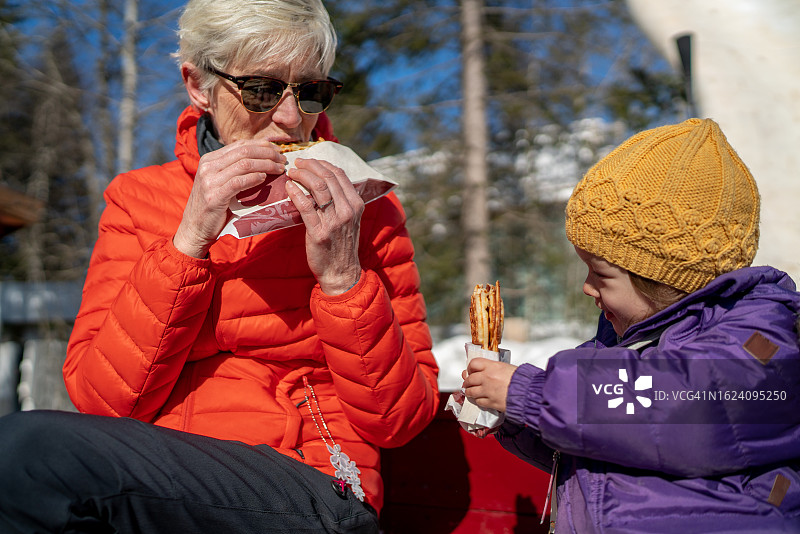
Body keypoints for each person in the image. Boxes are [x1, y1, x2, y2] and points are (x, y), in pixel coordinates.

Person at [0, 0, 439, 532]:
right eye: (261, 89)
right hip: (158, 477)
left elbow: (400, 421)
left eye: (311, 91)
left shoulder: (363, 208)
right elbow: (103, 400)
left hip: (314, 482)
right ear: (198, 85)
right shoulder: (139, 200)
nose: (289, 116)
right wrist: (188, 242)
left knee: (27, 451)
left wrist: (343, 279)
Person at [463, 118, 800, 533]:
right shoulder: (624, 344)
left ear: (664, 277)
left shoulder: (758, 346)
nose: (587, 288)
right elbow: (599, 443)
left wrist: (532, 394)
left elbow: (680, 405)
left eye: (601, 275)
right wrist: (514, 415)